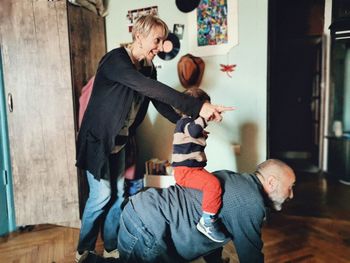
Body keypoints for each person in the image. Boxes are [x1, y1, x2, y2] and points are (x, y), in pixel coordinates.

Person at [75, 14, 233, 262]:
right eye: (156, 41)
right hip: (98, 142)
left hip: (120, 141)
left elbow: (157, 100)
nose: (160, 47)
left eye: (163, 41)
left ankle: (111, 246)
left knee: (119, 194)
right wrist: (197, 107)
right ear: (138, 36)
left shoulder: (147, 67)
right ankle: (83, 250)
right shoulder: (115, 62)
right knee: (102, 196)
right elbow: (149, 88)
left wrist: (186, 123)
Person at [113, 159, 295, 263]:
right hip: (148, 227)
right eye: (290, 187)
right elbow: (251, 256)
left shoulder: (234, 178)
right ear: (271, 182)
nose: (291, 194)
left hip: (142, 214)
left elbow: (213, 230)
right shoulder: (251, 202)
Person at [172, 88, 227, 243]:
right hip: (185, 171)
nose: (208, 115)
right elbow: (194, 130)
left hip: (192, 169)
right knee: (213, 184)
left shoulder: (190, 124)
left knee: (211, 180)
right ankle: (208, 222)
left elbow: (195, 133)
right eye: (206, 109)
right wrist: (202, 121)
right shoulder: (185, 122)